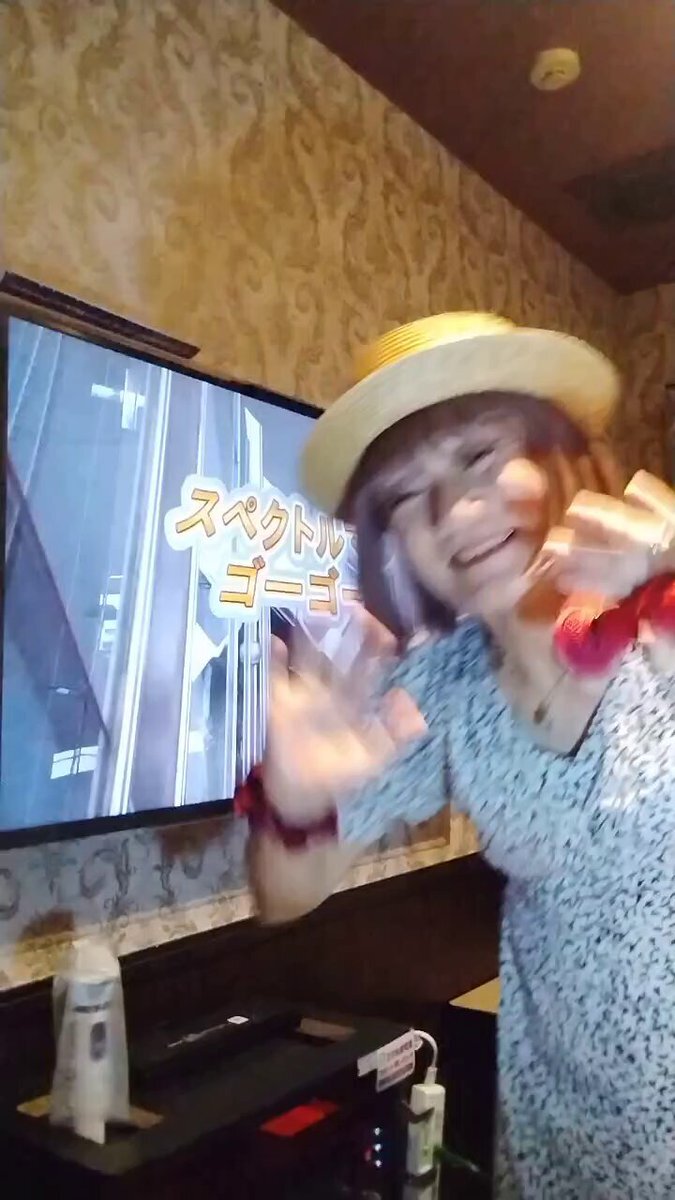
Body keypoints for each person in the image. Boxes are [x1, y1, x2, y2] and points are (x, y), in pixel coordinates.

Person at [240, 312, 675, 1198]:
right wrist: (296, 798)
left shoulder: (655, 600)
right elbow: (283, 893)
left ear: (556, 457)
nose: (450, 512)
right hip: (568, 1155)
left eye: (479, 455)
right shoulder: (438, 687)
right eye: (406, 495)